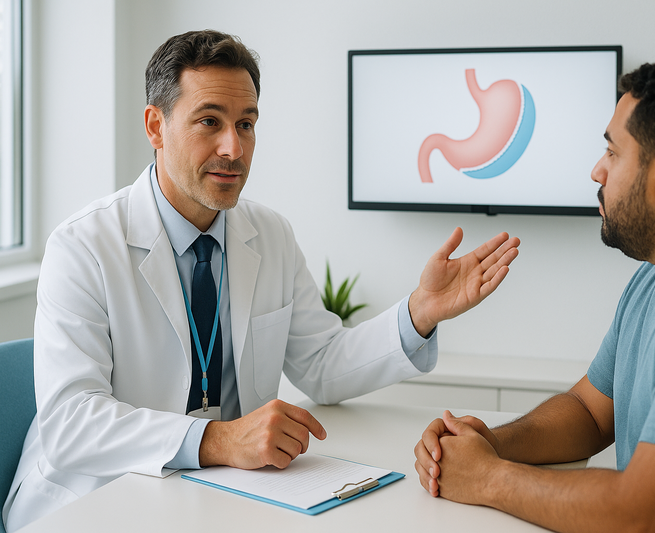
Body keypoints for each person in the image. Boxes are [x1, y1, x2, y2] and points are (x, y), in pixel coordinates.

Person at [2, 30, 520, 531]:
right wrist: (220, 440)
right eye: (210, 121)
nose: (234, 148)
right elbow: (71, 423)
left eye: (246, 124)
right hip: (94, 498)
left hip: (216, 494)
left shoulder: (268, 233)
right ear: (155, 127)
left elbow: (321, 364)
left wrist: (420, 312)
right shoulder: (83, 245)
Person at [414, 57, 655, 532]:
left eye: (613, 152)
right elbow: (591, 414)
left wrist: (488, 477)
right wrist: (491, 442)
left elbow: (646, 515)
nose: (597, 171)